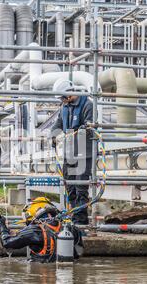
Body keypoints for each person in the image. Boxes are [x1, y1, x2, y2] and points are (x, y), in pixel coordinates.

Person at [50, 79, 94, 225]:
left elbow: (90, 127)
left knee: (81, 187)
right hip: (69, 154)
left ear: (69, 94)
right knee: (70, 185)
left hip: (83, 153)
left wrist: (83, 129)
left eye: (63, 98)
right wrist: (53, 135)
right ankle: (74, 217)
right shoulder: (65, 107)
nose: (62, 101)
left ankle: (81, 222)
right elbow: (58, 124)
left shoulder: (87, 105)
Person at [0, 197, 84, 263]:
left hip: (42, 274)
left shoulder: (34, 231)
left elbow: (7, 242)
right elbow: (79, 252)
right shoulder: (72, 229)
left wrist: (1, 225)